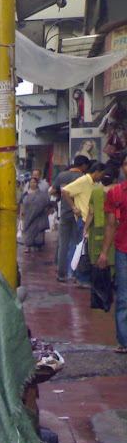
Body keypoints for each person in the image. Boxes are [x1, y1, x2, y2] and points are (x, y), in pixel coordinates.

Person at [98, 151, 127, 353]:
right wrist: (103, 254)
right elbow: (110, 225)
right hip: (122, 250)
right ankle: (124, 341)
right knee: (124, 296)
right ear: (121, 167)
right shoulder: (115, 193)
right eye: (126, 164)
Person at [62, 162, 107, 285]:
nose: (102, 176)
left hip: (89, 220)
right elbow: (65, 191)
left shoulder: (95, 184)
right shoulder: (83, 180)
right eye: (102, 174)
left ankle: (80, 275)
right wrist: (73, 207)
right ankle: (80, 277)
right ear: (96, 172)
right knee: (83, 250)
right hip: (84, 220)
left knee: (84, 249)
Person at [50, 155, 90, 282]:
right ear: (83, 165)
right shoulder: (83, 178)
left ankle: (61, 273)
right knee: (77, 243)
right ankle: (73, 273)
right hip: (78, 213)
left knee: (63, 243)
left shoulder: (62, 175)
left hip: (65, 213)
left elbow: (52, 191)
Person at [84, 166, 118, 270]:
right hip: (115, 228)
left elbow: (91, 213)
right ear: (115, 179)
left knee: (97, 254)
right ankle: (113, 280)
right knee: (112, 253)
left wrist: (85, 228)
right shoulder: (119, 190)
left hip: (97, 229)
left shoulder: (95, 191)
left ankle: (98, 278)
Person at [20, 177, 51, 253]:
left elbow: (47, 204)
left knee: (39, 231)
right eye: (31, 182)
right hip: (28, 216)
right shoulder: (26, 194)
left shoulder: (42, 194)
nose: (32, 184)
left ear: (37, 184)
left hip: (39, 217)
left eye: (34, 182)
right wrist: (21, 213)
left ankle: (38, 246)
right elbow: (22, 204)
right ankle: (28, 246)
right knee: (28, 231)